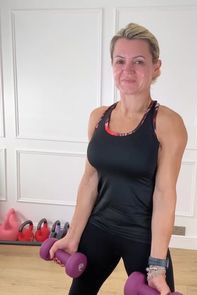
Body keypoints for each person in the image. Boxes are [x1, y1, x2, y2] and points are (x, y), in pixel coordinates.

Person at [49, 23, 188, 295]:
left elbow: (164, 195)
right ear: (112, 65)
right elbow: (89, 181)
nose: (128, 69)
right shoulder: (98, 117)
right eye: (120, 61)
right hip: (99, 228)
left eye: (139, 61)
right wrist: (74, 234)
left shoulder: (167, 124)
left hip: (143, 237)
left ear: (156, 66)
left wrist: (157, 265)